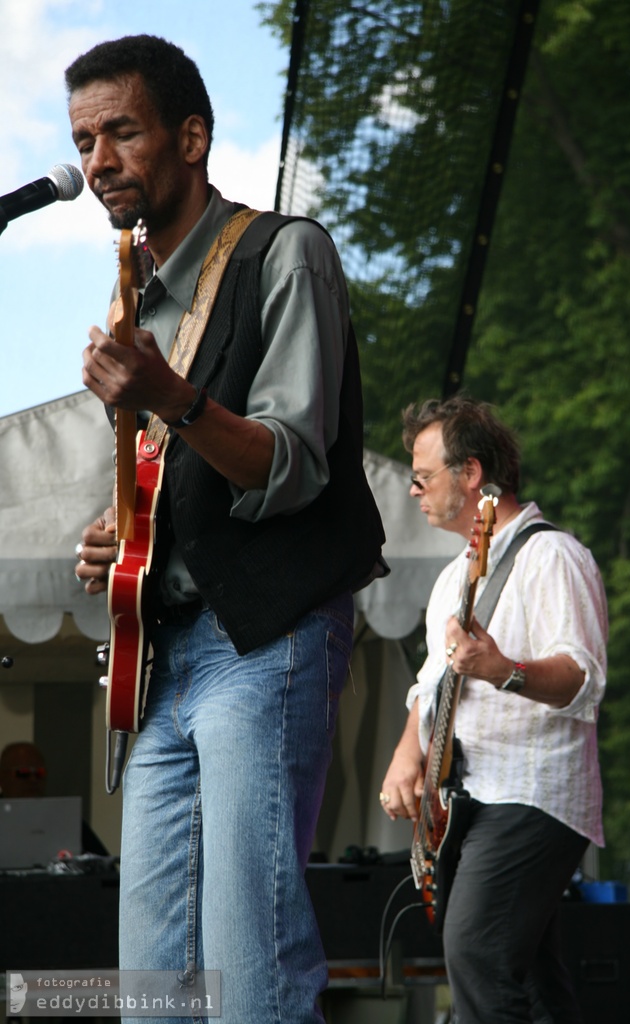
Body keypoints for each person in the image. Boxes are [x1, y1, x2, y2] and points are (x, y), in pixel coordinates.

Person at [65, 34, 386, 1024]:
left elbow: (292, 462)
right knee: (152, 993)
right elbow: (177, 485)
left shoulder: (287, 253)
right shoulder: (135, 300)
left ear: (192, 136)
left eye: (121, 129)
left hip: (266, 642)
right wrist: (117, 534)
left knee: (250, 975)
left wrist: (173, 392)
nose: (97, 161)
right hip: (164, 666)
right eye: (82, 140)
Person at [380, 395, 607, 1023]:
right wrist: (407, 758)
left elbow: (581, 680)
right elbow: (429, 687)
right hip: (467, 799)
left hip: (531, 794)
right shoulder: (452, 578)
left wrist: (503, 671)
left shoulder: (553, 556)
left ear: (472, 474)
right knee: (533, 982)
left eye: (422, 477)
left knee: (475, 951)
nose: (413, 491)